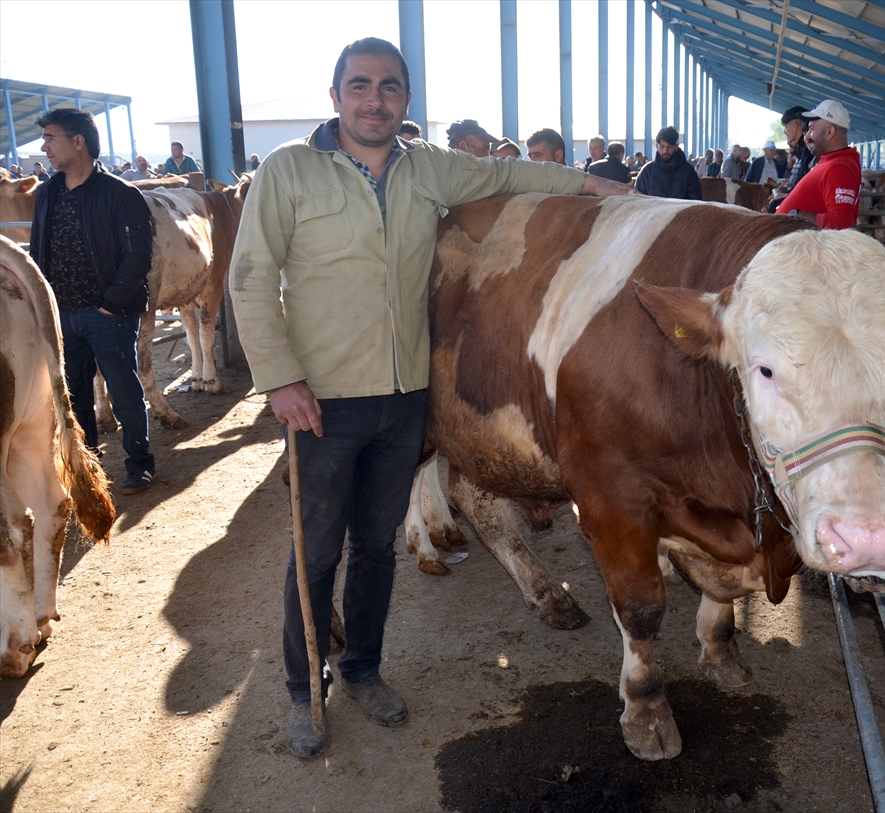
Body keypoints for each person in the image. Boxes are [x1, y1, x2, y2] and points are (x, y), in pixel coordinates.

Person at [228, 36, 632, 762]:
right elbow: (250, 278)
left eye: (388, 87)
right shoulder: (289, 170)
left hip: (404, 397)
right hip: (319, 399)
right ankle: (304, 686)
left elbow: (508, 169)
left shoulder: (426, 169)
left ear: (405, 101)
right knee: (314, 550)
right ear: (335, 97)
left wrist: (597, 188)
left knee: (376, 548)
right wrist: (280, 378)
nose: (373, 99)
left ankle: (363, 669)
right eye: (360, 86)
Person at [28, 108, 156, 496]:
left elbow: (138, 257)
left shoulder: (121, 194)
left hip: (109, 316)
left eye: (51, 137)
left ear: (77, 141)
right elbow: (38, 248)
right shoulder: (47, 192)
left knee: (123, 390)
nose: (44, 146)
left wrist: (111, 305)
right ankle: (87, 468)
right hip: (61, 314)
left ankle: (139, 462)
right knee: (73, 395)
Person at [775, 99, 861, 230]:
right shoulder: (832, 161)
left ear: (829, 132)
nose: (807, 136)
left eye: (812, 130)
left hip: (792, 244)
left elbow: (842, 222)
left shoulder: (840, 168)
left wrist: (794, 216)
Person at [634, 126, 702, 200]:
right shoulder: (647, 172)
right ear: (657, 146)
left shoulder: (688, 172)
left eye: (669, 147)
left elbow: (696, 203)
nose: (665, 151)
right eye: (662, 146)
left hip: (681, 211)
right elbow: (639, 202)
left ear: (676, 147)